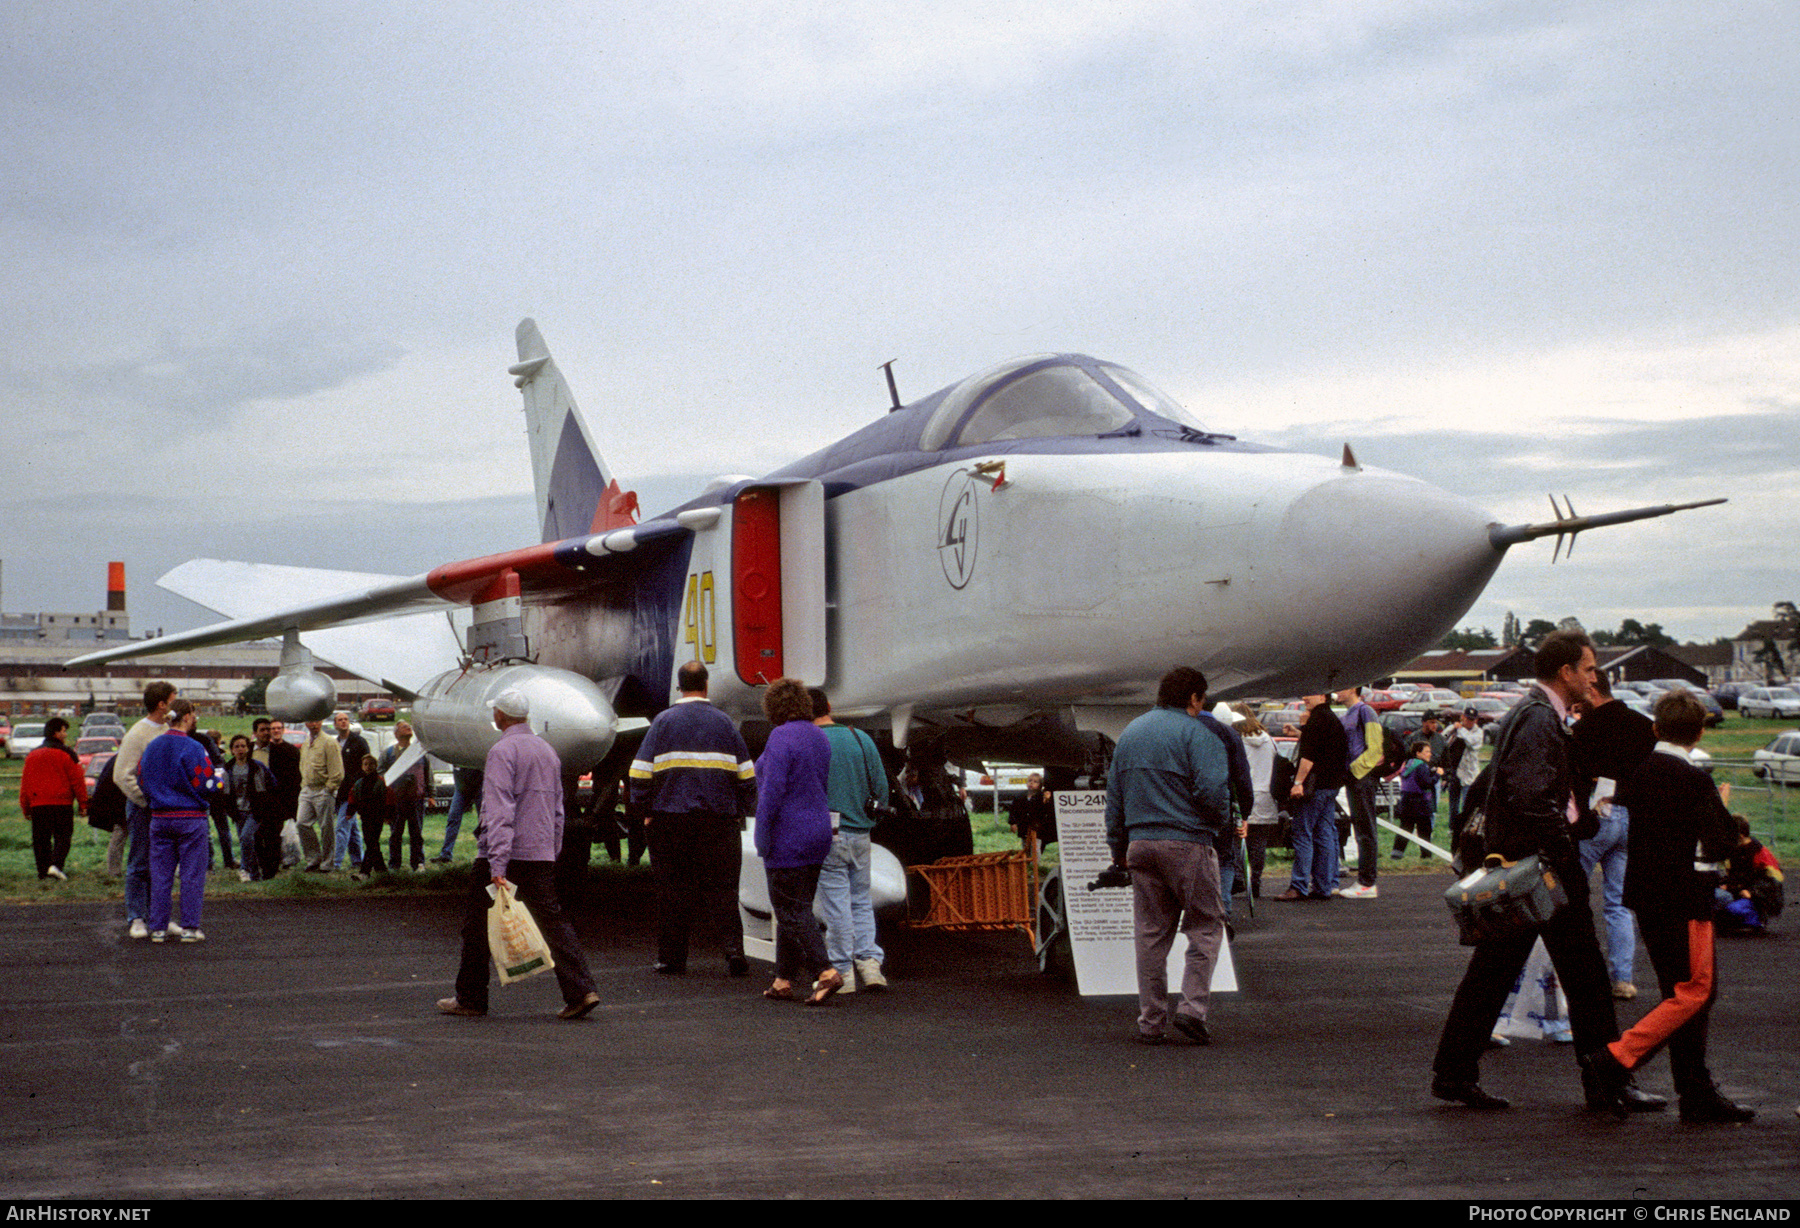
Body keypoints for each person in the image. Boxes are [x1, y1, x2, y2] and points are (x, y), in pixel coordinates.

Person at [1429, 631, 1658, 1114]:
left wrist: (1583, 818)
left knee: (1494, 971)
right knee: (1586, 974)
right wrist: (1562, 844)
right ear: (1566, 672)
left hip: (1525, 863)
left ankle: (1454, 1073)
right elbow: (1530, 794)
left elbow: (1540, 789)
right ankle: (1606, 1080)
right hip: (1542, 866)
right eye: (1589, 669)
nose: (1594, 677)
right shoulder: (1538, 719)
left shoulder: (1533, 715)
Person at [1582, 690, 1754, 1123]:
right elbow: (1723, 839)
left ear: (1656, 728)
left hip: (1647, 897)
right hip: (1687, 898)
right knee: (1697, 992)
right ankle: (1617, 1058)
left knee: (1677, 995)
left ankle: (1694, 1089)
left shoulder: (1639, 772)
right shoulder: (1694, 778)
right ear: (1698, 733)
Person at [439, 689, 599, 1020]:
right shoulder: (547, 752)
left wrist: (497, 863)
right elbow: (558, 809)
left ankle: (470, 997)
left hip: (504, 854)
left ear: (500, 716)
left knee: (476, 926)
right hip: (539, 851)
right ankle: (582, 990)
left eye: (494, 711)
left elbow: (499, 810)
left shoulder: (501, 752)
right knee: (553, 922)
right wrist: (551, 849)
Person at [1104, 666, 1233, 1045]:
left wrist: (1118, 849)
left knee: (1150, 935)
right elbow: (1213, 791)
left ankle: (1151, 1021)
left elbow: (1115, 800)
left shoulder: (1130, 733)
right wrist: (1216, 825)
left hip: (1140, 844)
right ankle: (1192, 1009)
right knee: (1205, 927)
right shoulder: (1199, 734)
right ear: (1194, 698)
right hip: (1187, 842)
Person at [628, 661, 758, 976]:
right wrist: (742, 810)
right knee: (725, 889)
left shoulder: (662, 722)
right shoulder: (725, 724)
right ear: (706, 685)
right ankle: (733, 951)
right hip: (719, 820)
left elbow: (639, 773)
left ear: (679, 685)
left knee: (673, 890)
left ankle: (672, 959)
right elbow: (747, 776)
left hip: (670, 821)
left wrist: (644, 812)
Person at [754, 678, 840, 1004]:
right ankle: (782, 979)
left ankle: (825, 971)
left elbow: (771, 794)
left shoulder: (780, 737)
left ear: (773, 708)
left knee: (789, 911)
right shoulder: (819, 737)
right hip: (818, 832)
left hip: (787, 836)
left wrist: (762, 839)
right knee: (799, 906)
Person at [1571, 673, 1656, 1001]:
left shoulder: (1583, 730)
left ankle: (1577, 976)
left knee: (1572, 898)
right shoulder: (1643, 724)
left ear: (1591, 691)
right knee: (1618, 903)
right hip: (1631, 817)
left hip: (1595, 815)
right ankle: (1623, 978)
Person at [809, 688, 891, 992]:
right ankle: (870, 965)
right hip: (861, 832)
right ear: (830, 706)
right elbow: (881, 787)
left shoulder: (811, 741)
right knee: (860, 900)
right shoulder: (860, 738)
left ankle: (842, 972)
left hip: (828, 834)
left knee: (836, 906)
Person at [139, 699, 222, 942]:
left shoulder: (153, 746)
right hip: (190, 818)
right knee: (191, 874)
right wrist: (220, 780)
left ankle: (158, 928)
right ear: (186, 717)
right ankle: (189, 927)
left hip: (159, 818)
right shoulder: (194, 747)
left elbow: (142, 779)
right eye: (194, 714)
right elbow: (206, 784)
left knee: (161, 874)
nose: (195, 719)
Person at [117, 681, 177, 938]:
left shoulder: (168, 730)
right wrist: (146, 801)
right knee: (140, 862)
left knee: (163, 864)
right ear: (161, 704)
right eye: (174, 699)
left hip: (167, 807)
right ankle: (137, 917)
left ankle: (160, 917)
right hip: (145, 808)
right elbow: (122, 775)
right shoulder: (138, 733)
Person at [1275, 693, 1347, 902]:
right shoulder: (1332, 719)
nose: (1305, 698)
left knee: (1302, 832)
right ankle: (1324, 885)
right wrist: (1300, 732)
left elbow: (1308, 756)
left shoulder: (1317, 719)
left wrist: (1298, 783)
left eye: (1310, 694)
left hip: (1314, 787)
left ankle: (1298, 885)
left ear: (1323, 696)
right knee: (1324, 832)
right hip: (1331, 785)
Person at [20, 716, 87, 881]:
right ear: (56, 732)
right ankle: (56, 866)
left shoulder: (31, 756)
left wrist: (25, 807)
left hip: (38, 805)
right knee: (63, 837)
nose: (66, 734)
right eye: (64, 731)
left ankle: (43, 872)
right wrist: (83, 804)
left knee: (40, 840)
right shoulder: (68, 754)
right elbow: (78, 781)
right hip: (62, 804)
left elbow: (25, 784)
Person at [1336, 686, 1384, 899]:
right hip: (1353, 778)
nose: (1337, 691)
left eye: (1342, 687)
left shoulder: (1366, 711)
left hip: (1362, 778)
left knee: (1365, 828)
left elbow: (1375, 748)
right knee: (1361, 828)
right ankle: (1365, 880)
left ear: (1354, 689)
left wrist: (1355, 771)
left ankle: (1367, 882)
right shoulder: (1348, 714)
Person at [222, 734, 279, 882]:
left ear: (248, 748)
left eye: (243, 746)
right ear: (232, 750)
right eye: (236, 746)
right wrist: (229, 810)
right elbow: (225, 792)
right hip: (238, 811)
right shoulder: (228, 769)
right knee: (246, 842)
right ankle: (255, 875)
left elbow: (271, 784)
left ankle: (244, 868)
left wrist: (266, 804)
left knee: (246, 837)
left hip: (255, 810)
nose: (240, 749)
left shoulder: (256, 767)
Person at [1715, 814, 1783, 934]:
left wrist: (1752, 892)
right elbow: (1734, 876)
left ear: (1740, 836)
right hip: (1740, 893)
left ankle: (1757, 920)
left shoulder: (1759, 853)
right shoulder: (1734, 851)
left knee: (1733, 909)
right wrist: (1726, 885)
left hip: (1760, 898)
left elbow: (1775, 882)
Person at [251, 717, 301, 878]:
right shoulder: (249, 750)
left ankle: (270, 869)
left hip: (275, 802)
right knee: (256, 835)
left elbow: (290, 780)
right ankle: (260, 865)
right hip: (254, 801)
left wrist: (289, 806)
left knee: (272, 836)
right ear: (255, 733)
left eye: (269, 729)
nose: (268, 732)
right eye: (264, 729)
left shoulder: (282, 751)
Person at [296, 718, 344, 872]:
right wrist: (304, 785)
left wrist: (329, 788)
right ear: (306, 723)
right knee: (301, 823)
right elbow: (303, 765)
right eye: (310, 721)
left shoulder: (329, 742)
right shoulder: (306, 743)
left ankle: (327, 863)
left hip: (323, 789)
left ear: (321, 722)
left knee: (326, 827)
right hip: (307, 789)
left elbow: (337, 771)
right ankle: (313, 858)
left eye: (316, 721)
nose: (313, 724)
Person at [381, 720, 427, 871]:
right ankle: (394, 865)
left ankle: (418, 863)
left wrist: (431, 794)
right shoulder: (388, 753)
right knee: (395, 833)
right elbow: (380, 774)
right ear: (396, 733)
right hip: (396, 800)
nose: (408, 727)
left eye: (409, 725)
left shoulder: (420, 752)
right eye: (403, 726)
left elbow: (427, 774)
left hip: (416, 798)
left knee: (417, 833)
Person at [328, 711, 370, 873]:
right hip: (338, 792)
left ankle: (336, 863)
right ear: (335, 724)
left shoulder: (359, 742)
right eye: (340, 720)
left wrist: (353, 784)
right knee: (352, 828)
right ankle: (357, 860)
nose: (343, 722)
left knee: (341, 827)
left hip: (353, 791)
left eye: (346, 719)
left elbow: (366, 767)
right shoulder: (335, 743)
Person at [1389, 741, 1436, 861]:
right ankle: (1426, 855)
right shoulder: (1421, 766)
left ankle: (1396, 853)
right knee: (1424, 830)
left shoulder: (1408, 764)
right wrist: (1437, 776)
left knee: (1405, 828)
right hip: (1420, 803)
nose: (1430, 754)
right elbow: (1426, 783)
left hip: (1406, 801)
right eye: (1427, 751)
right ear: (1418, 753)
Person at [1441, 707, 1484, 834]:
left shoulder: (1478, 732)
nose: (1469, 722)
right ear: (1462, 717)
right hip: (1454, 771)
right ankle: (1452, 828)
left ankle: (1465, 828)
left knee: (1466, 804)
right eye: (1467, 719)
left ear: (1475, 720)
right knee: (1453, 804)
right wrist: (1452, 727)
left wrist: (1461, 730)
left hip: (1469, 773)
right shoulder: (1456, 728)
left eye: (1472, 720)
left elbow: (1471, 743)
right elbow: (1443, 738)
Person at [435, 766, 482, 863]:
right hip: (461, 789)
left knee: (484, 821)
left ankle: (487, 854)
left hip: (478, 787)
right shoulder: (457, 755)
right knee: (453, 818)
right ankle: (445, 855)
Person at [1006, 772, 1056, 849]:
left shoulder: (1041, 796)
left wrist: (1046, 800)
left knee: (1036, 847)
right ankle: (1026, 860)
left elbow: (1045, 810)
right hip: (1023, 825)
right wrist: (1013, 823)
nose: (1031, 783)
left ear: (1040, 785)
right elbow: (1013, 810)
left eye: (1035, 782)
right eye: (1030, 781)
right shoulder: (1020, 797)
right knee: (1025, 846)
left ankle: (1035, 861)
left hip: (1037, 827)